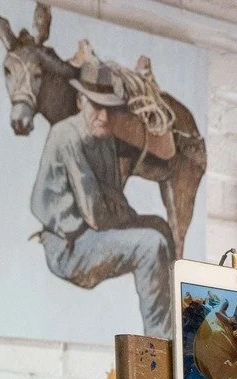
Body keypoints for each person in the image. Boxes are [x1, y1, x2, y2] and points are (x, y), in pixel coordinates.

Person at [28, 59, 178, 339]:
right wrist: (130, 224)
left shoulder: (103, 136)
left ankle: (175, 330)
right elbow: (95, 213)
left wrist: (132, 220)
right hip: (68, 246)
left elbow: (114, 198)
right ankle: (160, 340)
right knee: (151, 244)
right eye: (96, 106)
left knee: (161, 227)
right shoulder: (67, 136)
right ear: (80, 102)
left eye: (110, 108)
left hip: (90, 232)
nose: (104, 116)